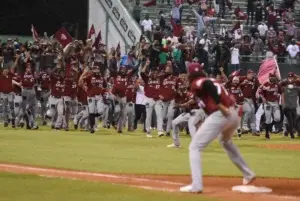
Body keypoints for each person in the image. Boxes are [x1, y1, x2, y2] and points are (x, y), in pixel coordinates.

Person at [180, 62, 255, 193]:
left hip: (221, 113)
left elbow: (208, 87)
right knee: (225, 141)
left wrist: (220, 106)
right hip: (233, 113)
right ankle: (248, 173)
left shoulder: (198, 82)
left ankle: (196, 185)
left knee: (195, 147)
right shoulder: (211, 79)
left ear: (191, 73)